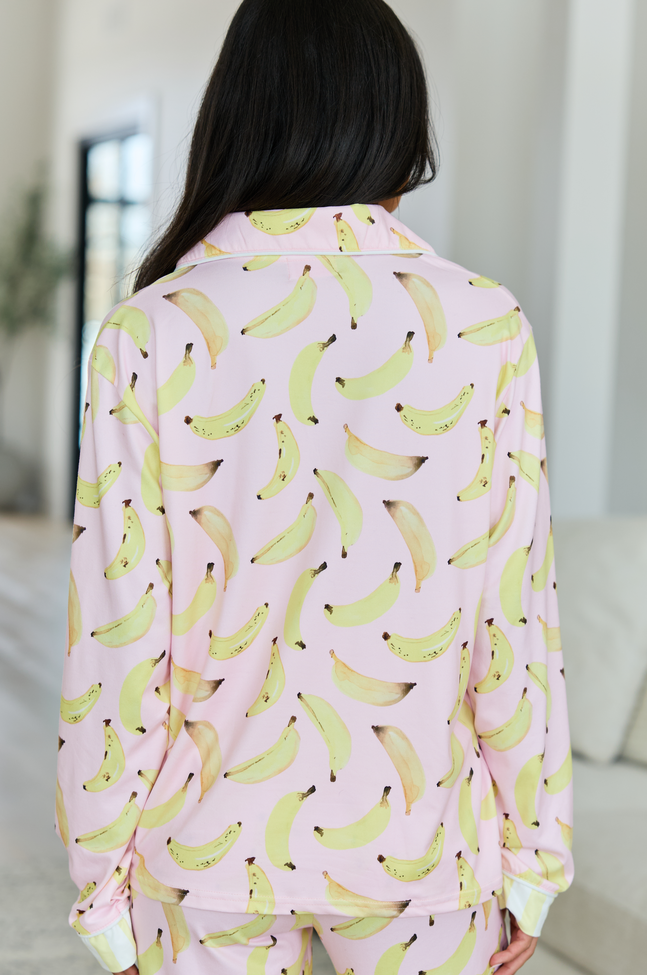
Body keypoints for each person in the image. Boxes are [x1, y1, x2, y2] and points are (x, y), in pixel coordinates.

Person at [56, 1, 573, 973]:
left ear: (235, 116)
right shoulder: (484, 325)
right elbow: (512, 618)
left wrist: (101, 886)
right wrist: (532, 857)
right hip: (424, 845)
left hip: (199, 853)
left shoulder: (150, 329)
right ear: (396, 123)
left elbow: (119, 634)